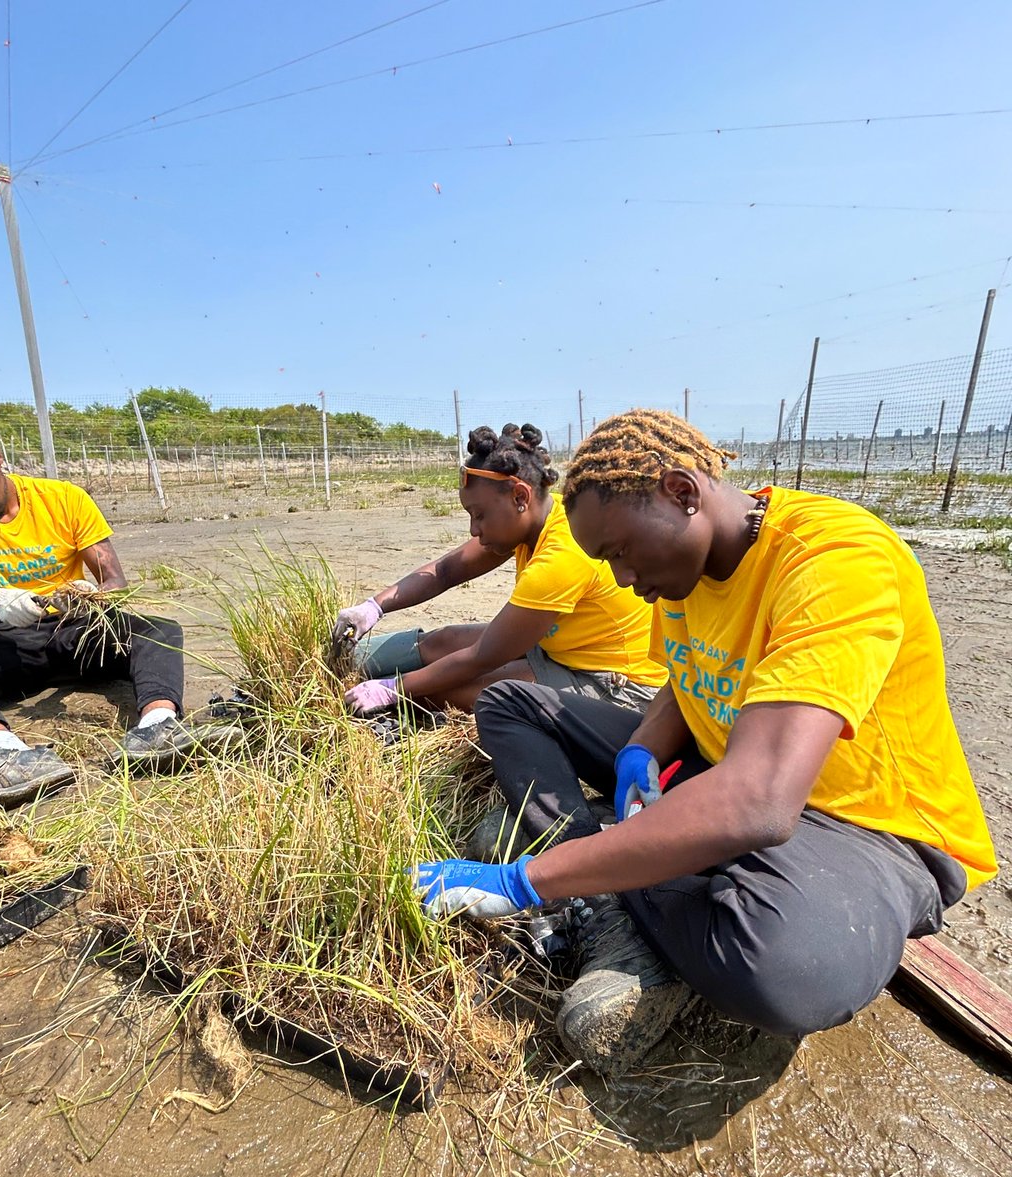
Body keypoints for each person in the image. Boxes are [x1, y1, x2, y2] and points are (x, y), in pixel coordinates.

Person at [413, 408, 997, 1077]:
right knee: (510, 703)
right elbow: (682, 686)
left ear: (682, 492)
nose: (625, 581)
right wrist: (642, 752)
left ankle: (593, 874)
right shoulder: (685, 569)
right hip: (722, 764)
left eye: (621, 554)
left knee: (790, 971)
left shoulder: (835, 559)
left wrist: (523, 883)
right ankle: (604, 899)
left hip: (865, 823)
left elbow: (760, 803)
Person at [0, 403, 231, 824]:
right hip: (6, 645)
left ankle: (157, 729)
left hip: (79, 634)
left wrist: (88, 596)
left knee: (156, 629)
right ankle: (9, 757)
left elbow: (113, 581)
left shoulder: (64, 499)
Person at [335, 422, 666, 720]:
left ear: (520, 496)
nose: (474, 529)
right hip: (565, 649)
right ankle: (339, 661)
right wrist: (373, 607)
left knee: (448, 693)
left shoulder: (561, 555)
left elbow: (482, 657)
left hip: (614, 683)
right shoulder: (535, 521)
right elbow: (447, 571)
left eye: (479, 515)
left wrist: (394, 688)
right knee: (444, 640)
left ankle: (366, 695)